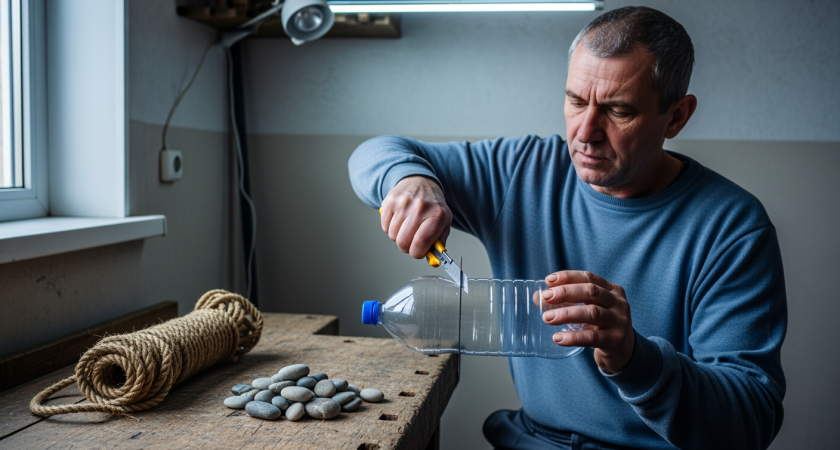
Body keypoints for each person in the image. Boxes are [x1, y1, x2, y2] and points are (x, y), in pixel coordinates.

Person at [347, 6, 786, 450]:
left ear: (676, 117)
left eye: (617, 110)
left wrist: (635, 358)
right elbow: (374, 153)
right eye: (576, 101)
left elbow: (748, 423)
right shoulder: (522, 171)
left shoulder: (732, 228)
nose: (586, 132)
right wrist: (409, 180)